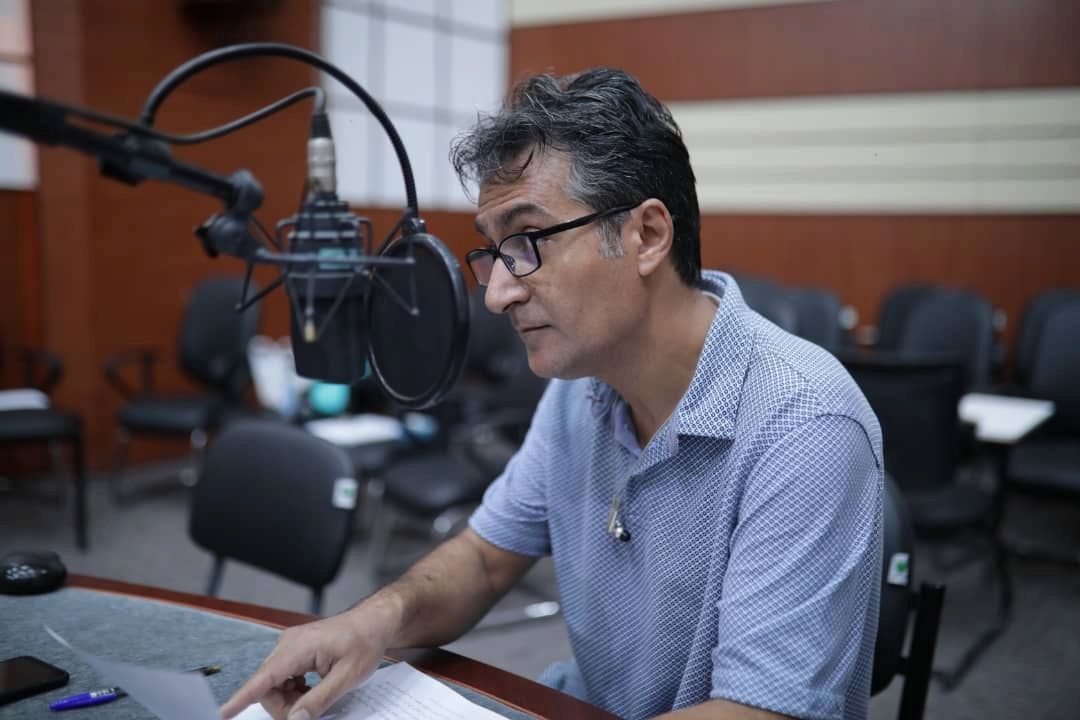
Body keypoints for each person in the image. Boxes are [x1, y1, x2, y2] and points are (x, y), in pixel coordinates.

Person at [221, 67, 883, 720]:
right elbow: (485, 559)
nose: (498, 293)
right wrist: (375, 619)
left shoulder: (804, 424)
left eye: (528, 241)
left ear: (647, 235)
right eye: (494, 252)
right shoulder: (584, 387)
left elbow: (757, 714)